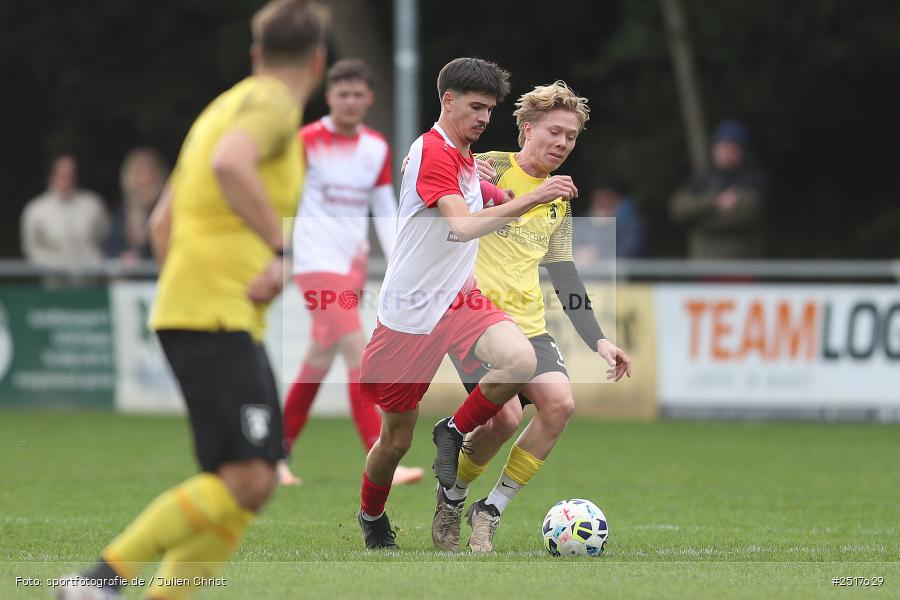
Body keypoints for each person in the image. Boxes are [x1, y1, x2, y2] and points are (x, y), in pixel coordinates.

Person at [54, 2, 329, 599]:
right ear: (318, 60)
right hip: (215, 313)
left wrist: (192, 279)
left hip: (198, 308)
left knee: (245, 481)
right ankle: (99, 580)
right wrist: (280, 248)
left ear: (256, 53)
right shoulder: (274, 104)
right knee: (252, 475)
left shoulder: (219, 108)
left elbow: (160, 224)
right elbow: (232, 165)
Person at [356, 57, 579, 550]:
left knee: (519, 360)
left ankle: (453, 431)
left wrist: (499, 189)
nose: (482, 117)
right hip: (410, 316)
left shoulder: (460, 155)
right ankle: (371, 515)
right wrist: (531, 197)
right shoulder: (435, 153)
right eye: (475, 107)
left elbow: (481, 195)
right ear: (447, 101)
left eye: (489, 109)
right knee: (393, 441)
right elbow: (460, 227)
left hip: (459, 301)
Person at [430, 81, 632, 553]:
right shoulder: (488, 166)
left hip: (530, 325)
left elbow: (565, 275)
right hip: (478, 321)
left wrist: (599, 340)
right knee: (501, 420)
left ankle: (490, 509)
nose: (562, 143)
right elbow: (432, 171)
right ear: (527, 129)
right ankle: (452, 496)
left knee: (560, 405)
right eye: (554, 132)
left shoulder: (560, 199)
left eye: (571, 137)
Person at [279, 58, 423, 487]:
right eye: (342, 94)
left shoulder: (376, 147)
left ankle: (272, 456)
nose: (350, 101)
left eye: (358, 94)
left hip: (352, 265)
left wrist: (403, 258)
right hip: (313, 263)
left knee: (317, 362)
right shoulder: (305, 141)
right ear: (329, 97)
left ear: (369, 99)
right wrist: (279, 253)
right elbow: (284, 199)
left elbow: (383, 208)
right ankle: (378, 454)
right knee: (357, 352)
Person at [670, 119, 768, 259]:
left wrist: (697, 219)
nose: (726, 153)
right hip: (703, 268)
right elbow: (678, 208)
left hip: (740, 267)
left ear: (743, 151)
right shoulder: (702, 178)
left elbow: (746, 214)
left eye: (731, 148)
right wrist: (714, 203)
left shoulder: (753, 179)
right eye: (722, 147)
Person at [20, 154, 109, 284]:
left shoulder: (93, 204)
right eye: (63, 175)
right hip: (54, 284)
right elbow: (31, 248)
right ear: (52, 176)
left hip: (90, 283)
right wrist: (55, 265)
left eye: (71, 175)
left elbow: (105, 237)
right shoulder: (35, 209)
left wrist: (94, 262)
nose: (68, 179)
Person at [105, 147, 170, 262]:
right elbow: (111, 247)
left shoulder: (166, 207)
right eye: (139, 173)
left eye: (150, 172)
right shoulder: (123, 211)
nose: (145, 179)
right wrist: (122, 256)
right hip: (131, 275)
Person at [573, 177, 646, 263]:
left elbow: (628, 253)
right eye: (598, 198)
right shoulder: (579, 224)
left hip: (614, 274)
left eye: (608, 197)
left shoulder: (631, 225)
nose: (602, 202)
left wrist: (597, 255)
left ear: (618, 200)